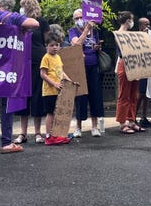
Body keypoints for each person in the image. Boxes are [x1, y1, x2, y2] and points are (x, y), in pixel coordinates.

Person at [0, 0, 39, 154]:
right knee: (7, 105)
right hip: (7, 69)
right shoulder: (13, 17)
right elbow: (34, 23)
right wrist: (21, 27)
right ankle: (6, 142)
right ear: (10, 6)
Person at [13, 0, 49, 145]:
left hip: (37, 60)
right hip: (22, 61)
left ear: (29, 7)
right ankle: (22, 133)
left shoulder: (42, 22)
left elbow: (47, 41)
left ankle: (38, 132)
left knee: (37, 96)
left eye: (23, 6)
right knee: (23, 96)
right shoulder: (19, 22)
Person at [68, 8, 104, 138]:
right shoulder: (73, 31)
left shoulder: (95, 31)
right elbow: (76, 43)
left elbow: (95, 46)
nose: (79, 20)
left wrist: (97, 48)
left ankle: (94, 127)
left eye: (80, 17)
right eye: (76, 18)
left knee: (95, 96)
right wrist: (86, 30)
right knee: (80, 97)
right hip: (79, 68)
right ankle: (78, 127)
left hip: (93, 66)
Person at [40, 31, 75, 145]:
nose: (55, 47)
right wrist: (54, 84)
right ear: (47, 46)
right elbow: (43, 74)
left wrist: (70, 81)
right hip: (49, 91)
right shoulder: (46, 58)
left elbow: (61, 72)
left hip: (58, 91)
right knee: (50, 113)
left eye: (57, 45)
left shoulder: (58, 57)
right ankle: (49, 136)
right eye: (52, 45)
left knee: (57, 113)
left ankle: (58, 135)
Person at [115, 11, 144, 134]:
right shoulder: (119, 34)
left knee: (133, 94)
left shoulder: (130, 34)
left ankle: (131, 120)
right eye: (131, 20)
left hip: (133, 63)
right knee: (124, 95)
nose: (132, 22)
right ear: (127, 21)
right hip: (124, 63)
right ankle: (123, 123)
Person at [136, 17, 151, 128]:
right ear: (140, 26)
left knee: (146, 94)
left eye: (149, 24)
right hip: (140, 68)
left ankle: (143, 117)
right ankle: (132, 117)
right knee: (140, 93)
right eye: (146, 24)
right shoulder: (136, 37)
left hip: (148, 67)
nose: (148, 26)